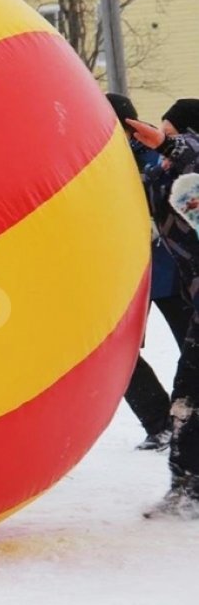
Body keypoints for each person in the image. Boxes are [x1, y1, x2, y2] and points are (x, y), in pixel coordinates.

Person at [106, 93, 192, 451]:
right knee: (120, 352)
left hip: (168, 275)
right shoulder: (103, 164)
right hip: (130, 276)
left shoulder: (157, 160)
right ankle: (159, 422)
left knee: (189, 352)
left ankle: (178, 422)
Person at [127, 98, 199, 518]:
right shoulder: (164, 178)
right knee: (188, 395)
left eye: (175, 136)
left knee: (190, 395)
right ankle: (187, 489)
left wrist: (170, 145)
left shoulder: (187, 166)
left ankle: (189, 491)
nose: (166, 147)